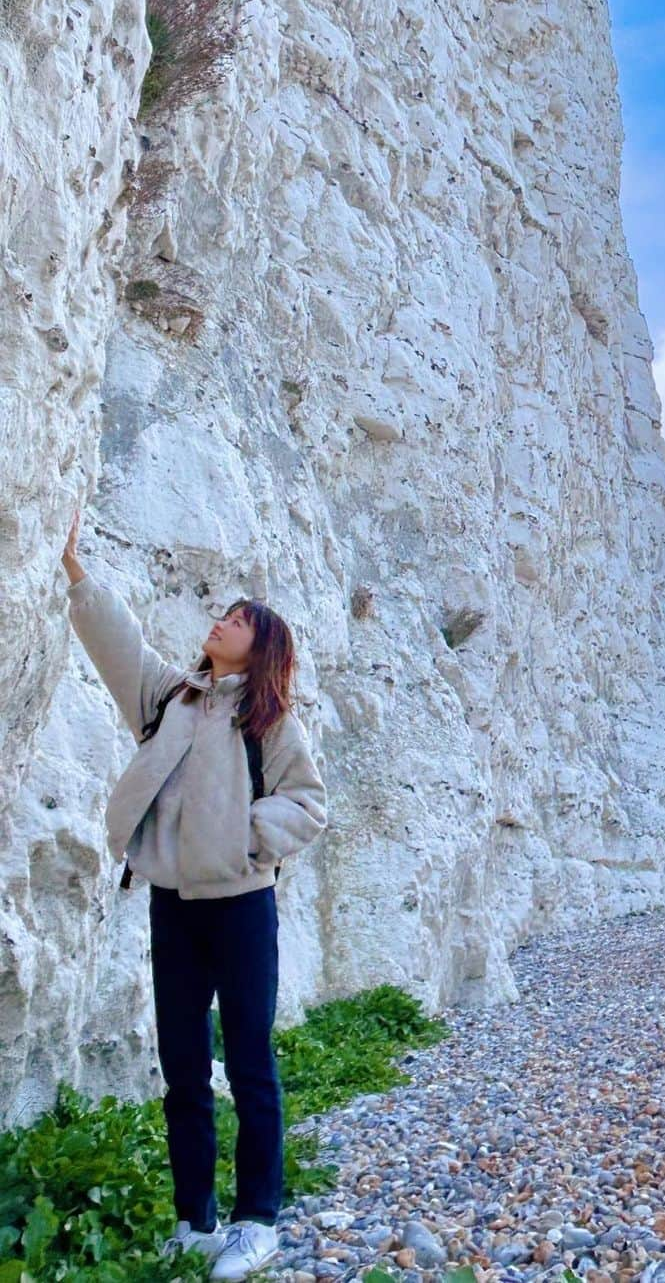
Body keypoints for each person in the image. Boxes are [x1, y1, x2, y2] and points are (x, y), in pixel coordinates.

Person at [60, 506, 329, 1280]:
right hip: (172, 903)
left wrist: (244, 838)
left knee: (249, 1063)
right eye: (223, 613)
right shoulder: (172, 698)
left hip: (243, 905)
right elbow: (119, 645)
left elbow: (309, 802)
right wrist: (76, 570)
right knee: (182, 1066)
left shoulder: (269, 716)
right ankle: (194, 1221)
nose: (222, 621)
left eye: (239, 619)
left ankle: (258, 1220)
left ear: (263, 644)